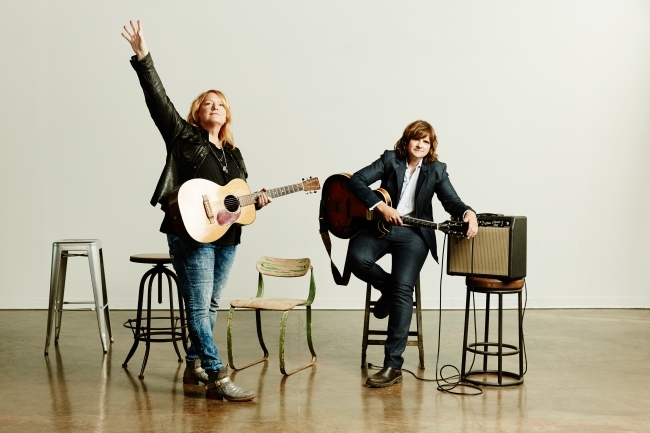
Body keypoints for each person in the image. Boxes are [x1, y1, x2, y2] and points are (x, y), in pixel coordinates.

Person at [122, 20, 270, 401]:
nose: (215, 107)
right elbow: (158, 101)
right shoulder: (183, 137)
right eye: (208, 103)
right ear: (196, 113)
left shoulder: (234, 155)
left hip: (228, 237)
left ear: (228, 114)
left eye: (221, 103)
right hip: (190, 233)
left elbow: (235, 201)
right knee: (198, 306)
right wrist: (143, 57)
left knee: (211, 304)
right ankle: (218, 375)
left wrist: (255, 202)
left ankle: (193, 368)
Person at [348, 120, 478, 388]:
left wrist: (468, 212)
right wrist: (380, 207)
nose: (420, 144)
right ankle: (389, 290)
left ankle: (393, 366)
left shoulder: (436, 170)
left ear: (430, 146)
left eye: (426, 141)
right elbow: (356, 181)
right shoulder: (389, 160)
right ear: (406, 141)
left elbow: (451, 201)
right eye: (416, 139)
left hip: (413, 236)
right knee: (357, 259)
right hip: (379, 227)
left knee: (402, 289)